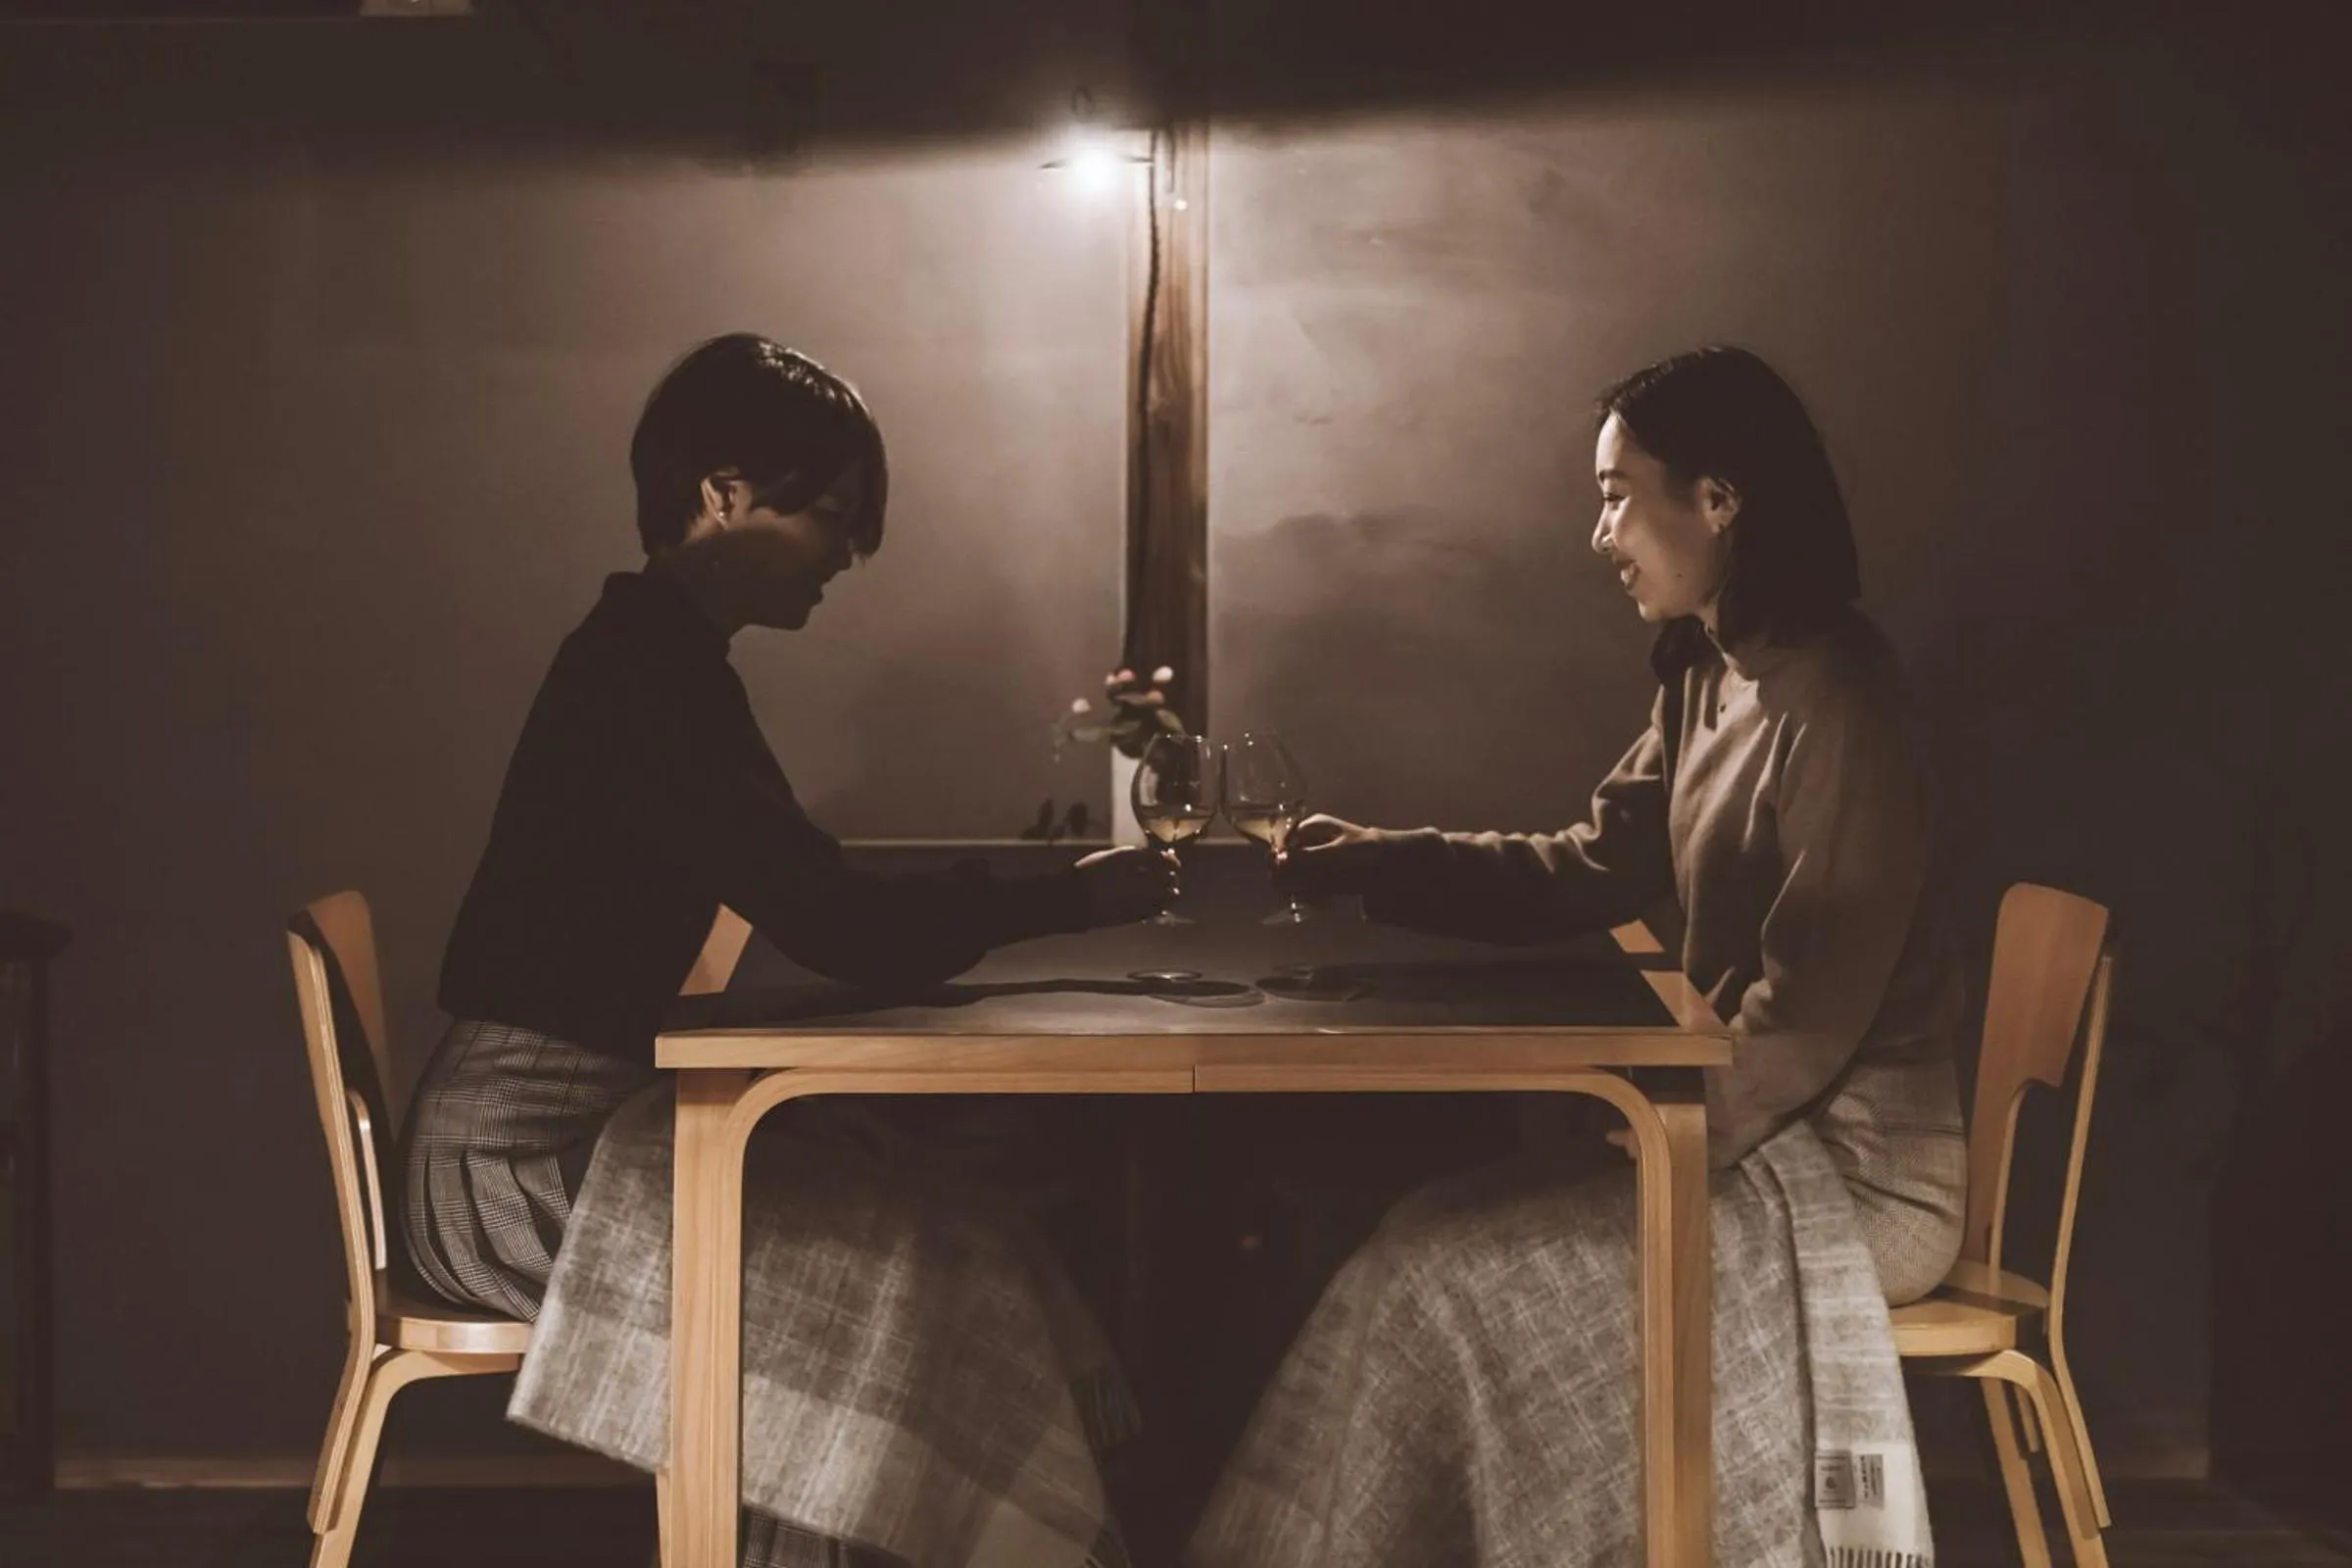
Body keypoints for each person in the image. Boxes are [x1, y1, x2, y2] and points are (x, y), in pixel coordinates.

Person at [397, 333, 1172, 1568]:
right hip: (515, 1173)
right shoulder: (647, 674)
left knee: (957, 1235)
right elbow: (839, 923)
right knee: (903, 1278)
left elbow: (815, 898)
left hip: (574, 1137)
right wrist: (1072, 901)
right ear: (725, 494)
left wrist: (1042, 904)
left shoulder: (656, 657)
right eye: (833, 515)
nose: (850, 552)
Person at [1187, 346, 1969, 1567]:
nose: (1600, 533)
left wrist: (1664, 1135)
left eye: (1616, 496)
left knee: (1441, 1280)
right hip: (1741, 1135)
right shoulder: (1707, 677)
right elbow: (1585, 866)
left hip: (1853, 1177)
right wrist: (1379, 861)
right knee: (1418, 1239)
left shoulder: (1843, 701)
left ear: (1719, 497)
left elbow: (1810, 1015)